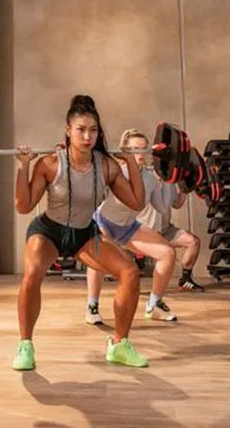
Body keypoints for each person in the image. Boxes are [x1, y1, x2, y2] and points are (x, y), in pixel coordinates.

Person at [12, 95, 149, 371]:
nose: (88, 136)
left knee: (129, 272)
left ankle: (119, 345)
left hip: (85, 234)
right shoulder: (50, 164)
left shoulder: (107, 166)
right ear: (68, 130)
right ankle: (25, 345)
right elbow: (23, 206)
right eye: (81, 129)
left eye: (93, 130)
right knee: (32, 274)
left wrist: (131, 164)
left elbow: (137, 202)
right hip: (49, 232)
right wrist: (23, 167)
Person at [85, 128, 180, 324]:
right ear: (125, 151)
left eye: (144, 149)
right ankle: (92, 307)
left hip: (128, 227)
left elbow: (162, 207)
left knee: (167, 253)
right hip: (104, 222)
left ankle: (154, 305)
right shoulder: (115, 171)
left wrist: (167, 176)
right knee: (99, 258)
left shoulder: (150, 177)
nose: (141, 153)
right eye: (135, 149)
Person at [138, 164, 203, 292]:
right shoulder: (145, 178)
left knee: (193, 242)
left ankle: (185, 280)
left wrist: (185, 188)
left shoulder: (169, 183)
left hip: (164, 230)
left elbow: (177, 204)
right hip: (143, 232)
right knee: (164, 253)